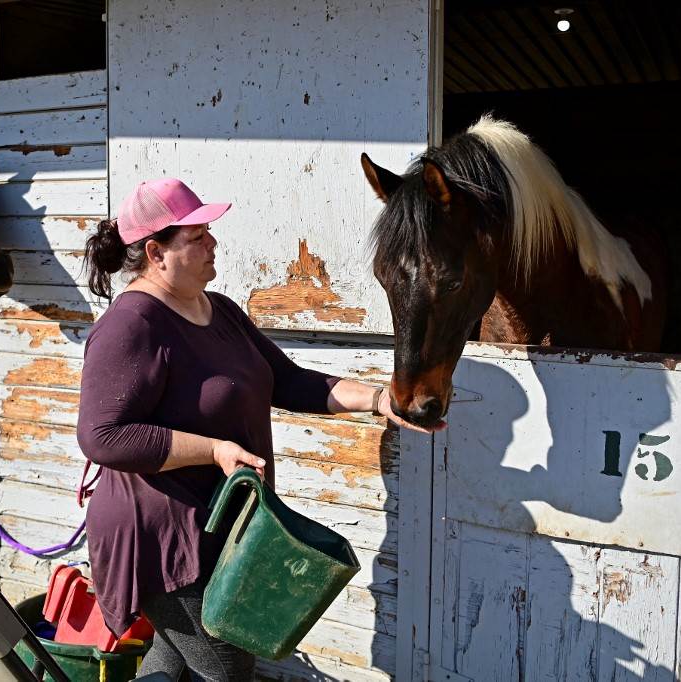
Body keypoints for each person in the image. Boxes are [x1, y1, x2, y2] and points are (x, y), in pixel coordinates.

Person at [77, 177, 441, 682]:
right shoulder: (132, 325)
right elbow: (103, 437)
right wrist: (214, 449)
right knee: (225, 668)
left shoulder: (217, 309)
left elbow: (286, 381)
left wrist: (378, 399)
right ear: (157, 253)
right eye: (198, 237)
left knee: (174, 665)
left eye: (209, 233)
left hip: (220, 527)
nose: (213, 244)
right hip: (164, 537)